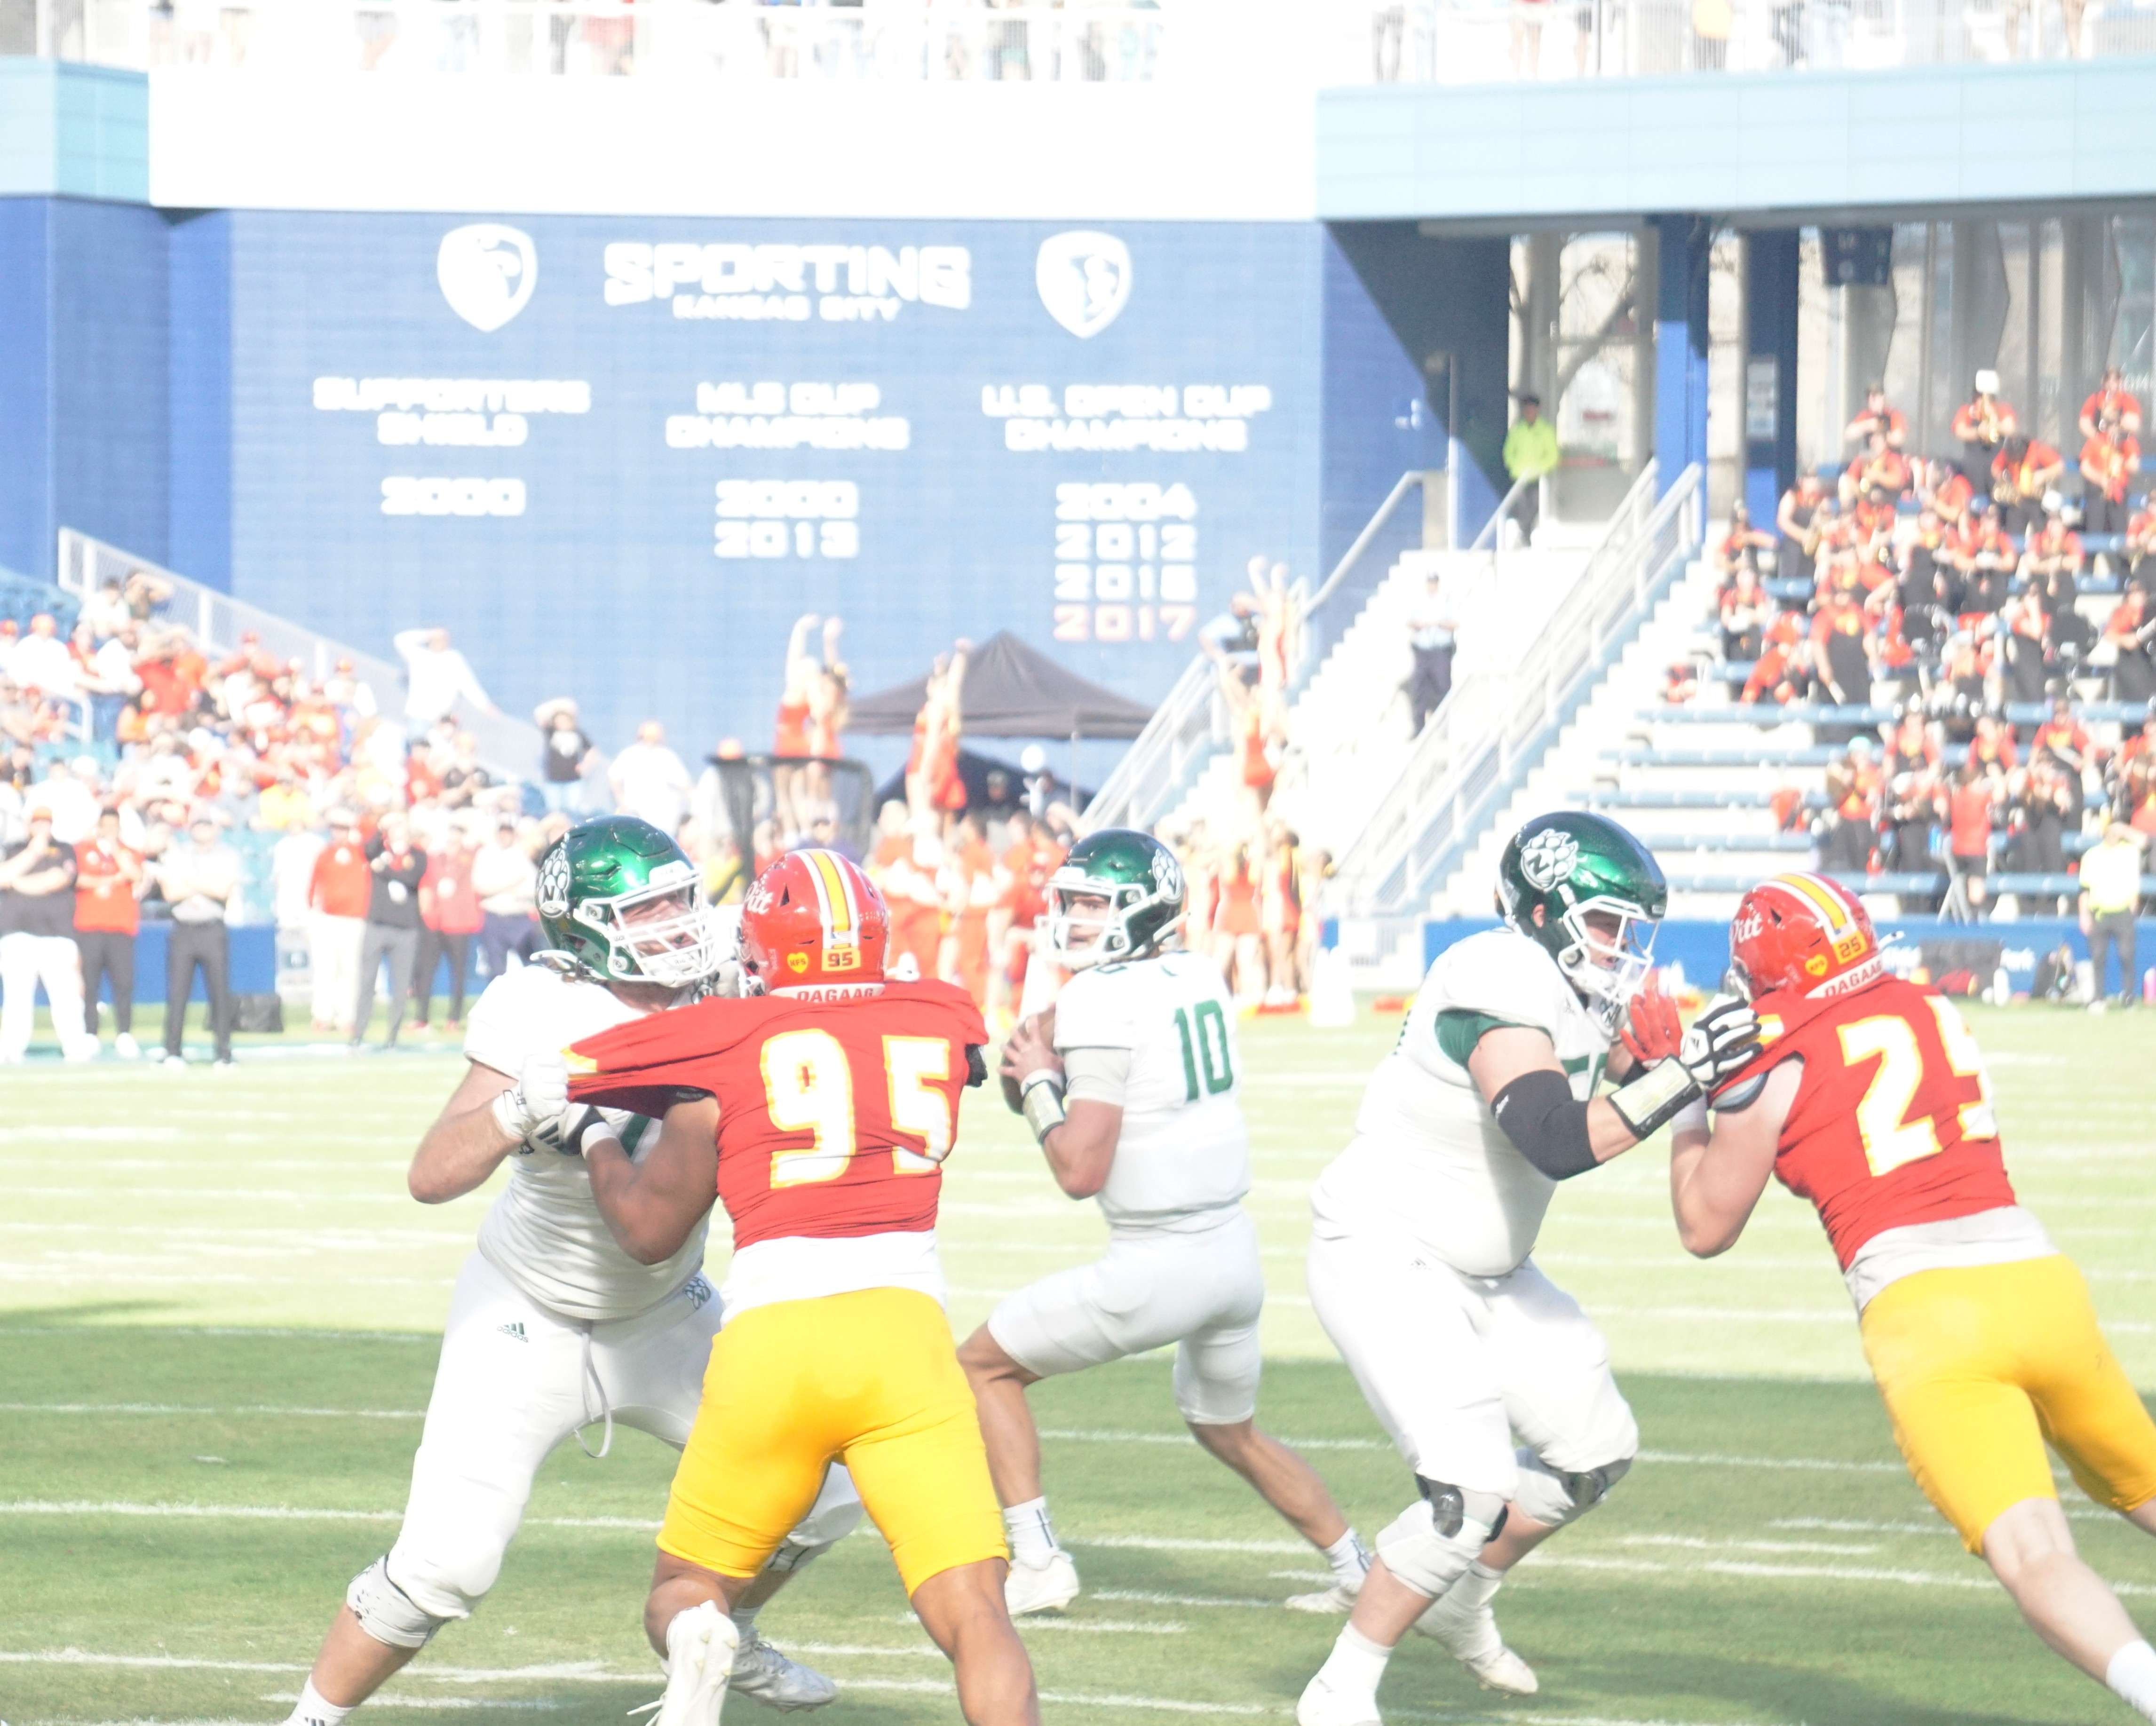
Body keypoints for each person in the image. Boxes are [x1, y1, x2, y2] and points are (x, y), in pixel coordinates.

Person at [278, 818, 850, 1726]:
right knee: (445, 1565)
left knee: (827, 1486)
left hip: (667, 1310)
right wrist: (513, 1109)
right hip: (525, 1312)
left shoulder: (734, 987)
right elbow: (433, 1175)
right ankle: (309, 1718)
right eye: (645, 906)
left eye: (679, 897)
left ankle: (710, 1636)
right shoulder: (538, 1006)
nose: (676, 921)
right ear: (584, 928)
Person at [1295, 813, 1760, 1719]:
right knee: (1467, 1489)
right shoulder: (1497, 971)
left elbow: (1646, 1072)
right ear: (1543, 910)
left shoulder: (1575, 984)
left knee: (1593, 1454)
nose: (1621, 948)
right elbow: (1550, 1138)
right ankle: (1341, 1685)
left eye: (1632, 928)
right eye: (1604, 923)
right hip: (1389, 1251)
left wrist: (1703, 1063)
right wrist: (1677, 1076)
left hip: (1487, 1270)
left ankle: (1462, 1596)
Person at [564, 848, 1038, 1726]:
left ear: (761, 950)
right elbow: (951, 1049)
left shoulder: (724, 1034)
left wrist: (590, 1134)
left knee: (685, 1592)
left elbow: (607, 1140)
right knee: (976, 1613)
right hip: (905, 1342)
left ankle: (708, 1641)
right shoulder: (940, 1011)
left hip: (772, 1343)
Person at [1669, 874, 2156, 1724]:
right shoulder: (1926, 1003)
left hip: (1921, 1311)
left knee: (2033, 1551)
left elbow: (1705, 1224)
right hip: (2036, 1279)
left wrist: (1682, 1110)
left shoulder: (1770, 1050)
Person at [957, 830, 1368, 1620]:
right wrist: (1036, 1076)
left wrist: (1039, 1080)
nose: (1073, 919)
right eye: (1069, 903)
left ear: (1140, 911)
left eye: (1091, 905)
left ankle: (1037, 1558)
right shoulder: (1197, 974)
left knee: (982, 1368)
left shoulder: (1097, 999)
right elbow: (1062, 1082)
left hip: (1159, 1261)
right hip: (1234, 1257)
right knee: (1229, 1430)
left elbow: (1078, 1168)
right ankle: (1355, 1567)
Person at [0, 808, 97, 1063]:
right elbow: (3, 876)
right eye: (37, 823)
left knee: (66, 998)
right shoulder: (15, 848)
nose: (42, 828)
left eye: (46, 823)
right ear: (29, 825)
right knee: (16, 998)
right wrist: (32, 854)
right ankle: (11, 1049)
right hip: (18, 933)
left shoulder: (64, 849)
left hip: (57, 934)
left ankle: (75, 1048)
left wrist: (20, 883)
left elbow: (56, 880)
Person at [153, 813, 240, 1068]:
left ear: (216, 830)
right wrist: (205, 884)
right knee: (178, 993)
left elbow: (223, 890)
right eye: (198, 826)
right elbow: (171, 892)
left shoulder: (227, 855)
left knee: (220, 994)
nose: (203, 830)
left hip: (212, 928)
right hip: (184, 929)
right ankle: (172, 1051)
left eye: (207, 825)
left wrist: (189, 882)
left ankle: (223, 1052)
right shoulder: (179, 855)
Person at [74, 805, 143, 1058]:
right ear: (99, 827)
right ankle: (91, 1033)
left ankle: (124, 1033)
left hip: (121, 926)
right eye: (107, 826)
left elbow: (135, 874)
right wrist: (111, 881)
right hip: (90, 925)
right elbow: (78, 879)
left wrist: (117, 852)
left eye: (115, 827)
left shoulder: (129, 852)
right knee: (90, 983)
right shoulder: (84, 851)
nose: (110, 831)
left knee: (123, 982)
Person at [353, 812, 427, 1048]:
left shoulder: (417, 856)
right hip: (377, 925)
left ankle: (392, 1037)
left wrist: (382, 870)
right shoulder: (380, 851)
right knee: (366, 982)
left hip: (406, 929)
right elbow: (368, 849)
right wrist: (380, 829)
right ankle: (358, 1034)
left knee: (400, 985)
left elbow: (411, 878)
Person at [414, 824, 484, 1032]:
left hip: (460, 922)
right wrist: (426, 911)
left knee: (459, 973)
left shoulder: (471, 857)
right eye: (449, 839)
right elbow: (425, 884)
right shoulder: (435, 859)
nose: (452, 843)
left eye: (456, 839)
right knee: (426, 971)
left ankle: (454, 1018)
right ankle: (422, 1017)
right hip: (435, 921)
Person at [309, 812, 372, 1034]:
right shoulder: (325, 854)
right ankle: (322, 1016)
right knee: (325, 969)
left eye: (344, 828)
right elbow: (314, 883)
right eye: (336, 828)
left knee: (350, 970)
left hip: (355, 919)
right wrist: (311, 909)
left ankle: (347, 1017)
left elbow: (373, 834)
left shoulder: (361, 852)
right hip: (328, 918)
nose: (339, 833)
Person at [2079, 823, 2145, 1006]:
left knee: (2126, 956)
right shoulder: (2092, 855)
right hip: (2100, 912)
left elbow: (2145, 841)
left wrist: (2125, 830)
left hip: (2123, 912)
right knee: (2098, 957)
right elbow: (2084, 888)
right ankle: (2098, 997)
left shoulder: (2130, 852)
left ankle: (2129, 997)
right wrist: (2084, 915)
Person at [474, 816, 540, 980]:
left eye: (508, 833)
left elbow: (533, 887)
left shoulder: (521, 854)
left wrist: (501, 887)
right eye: (502, 832)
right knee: (496, 970)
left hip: (519, 917)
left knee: (532, 968)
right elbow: (481, 887)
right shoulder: (486, 854)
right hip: (494, 917)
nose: (505, 836)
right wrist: (511, 884)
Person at [393, 627, 496, 730]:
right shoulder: (419, 656)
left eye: (444, 639)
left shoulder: (453, 659)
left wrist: (485, 705)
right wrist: (427, 634)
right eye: (438, 639)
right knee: (417, 743)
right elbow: (400, 640)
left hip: (442, 721)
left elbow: (468, 685)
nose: (441, 641)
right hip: (419, 717)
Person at [612, 722, 694, 838]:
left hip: (662, 821)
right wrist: (622, 803)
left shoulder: (666, 756)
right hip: (638, 819)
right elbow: (614, 778)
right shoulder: (630, 755)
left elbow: (685, 784)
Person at [1501, 393, 1559, 546]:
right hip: (1519, 478)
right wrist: (1515, 467)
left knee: (1534, 507)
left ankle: (1526, 534)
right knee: (1521, 508)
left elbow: (1552, 455)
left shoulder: (1546, 430)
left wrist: (1540, 468)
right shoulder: (1517, 431)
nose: (1530, 412)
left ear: (1537, 410)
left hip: (1537, 479)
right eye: (1527, 409)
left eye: (1532, 409)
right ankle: (1524, 536)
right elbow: (1509, 452)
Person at [1403, 570, 1456, 734]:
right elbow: (1410, 622)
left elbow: (1454, 623)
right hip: (1423, 650)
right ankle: (1419, 727)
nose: (1432, 586)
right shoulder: (1420, 601)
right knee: (1418, 688)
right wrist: (1421, 624)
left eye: (1434, 583)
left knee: (1442, 686)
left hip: (1440, 650)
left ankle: (1442, 726)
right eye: (1430, 583)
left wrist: (1439, 623)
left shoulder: (1445, 601)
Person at [534, 698, 598, 815]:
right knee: (554, 812)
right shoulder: (551, 732)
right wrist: (559, 705)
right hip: (553, 780)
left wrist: (585, 766)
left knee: (573, 812)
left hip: (573, 781)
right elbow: (539, 714)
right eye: (559, 720)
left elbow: (591, 751)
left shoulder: (578, 733)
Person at [1953, 369, 2019, 479]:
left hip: (1997, 463)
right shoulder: (1967, 410)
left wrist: (1994, 425)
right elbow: (1960, 431)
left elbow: (2011, 429)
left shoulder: (2002, 409)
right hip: (1973, 465)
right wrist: (1978, 432)